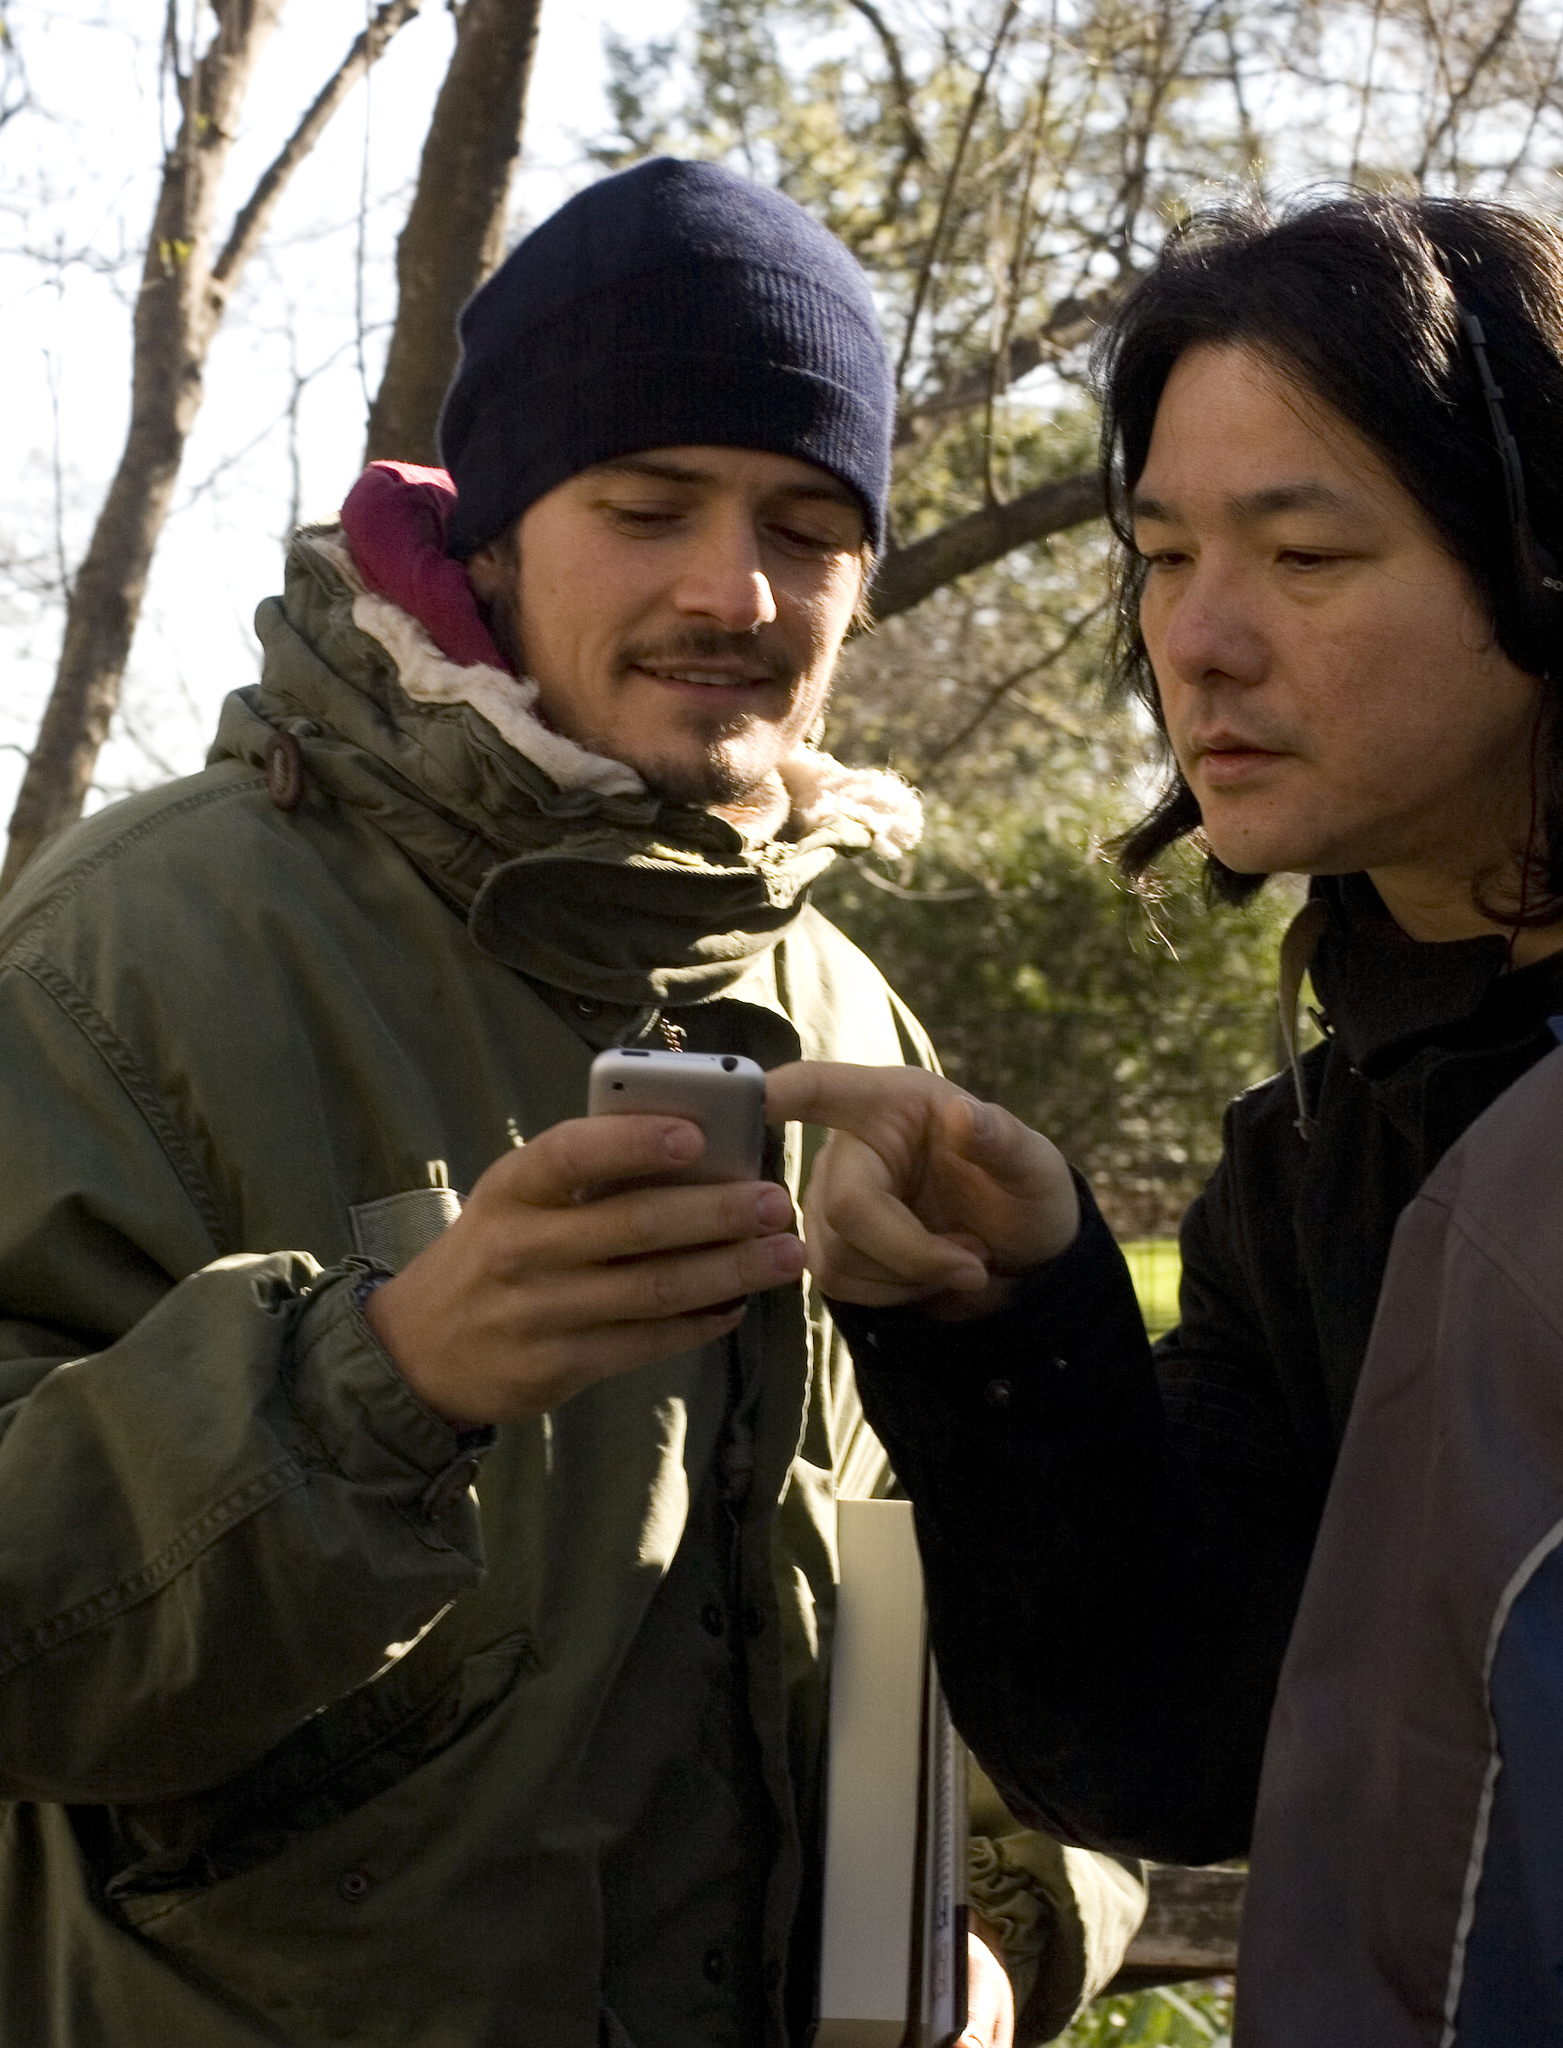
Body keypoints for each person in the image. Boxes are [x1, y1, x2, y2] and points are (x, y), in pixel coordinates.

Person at [0, 158, 1143, 2047]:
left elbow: (987, 1631)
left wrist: (1001, 1931)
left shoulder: (849, 1015)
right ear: (497, 533)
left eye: (807, 523)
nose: (736, 589)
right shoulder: (125, 949)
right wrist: (377, 1383)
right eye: (646, 508)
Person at [766, 188, 1563, 1931]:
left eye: (1305, 554)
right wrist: (1011, 1328)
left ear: (1537, 555)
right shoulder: (1307, 1167)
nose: (1198, 639)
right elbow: (1187, 1751)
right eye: (1164, 553)